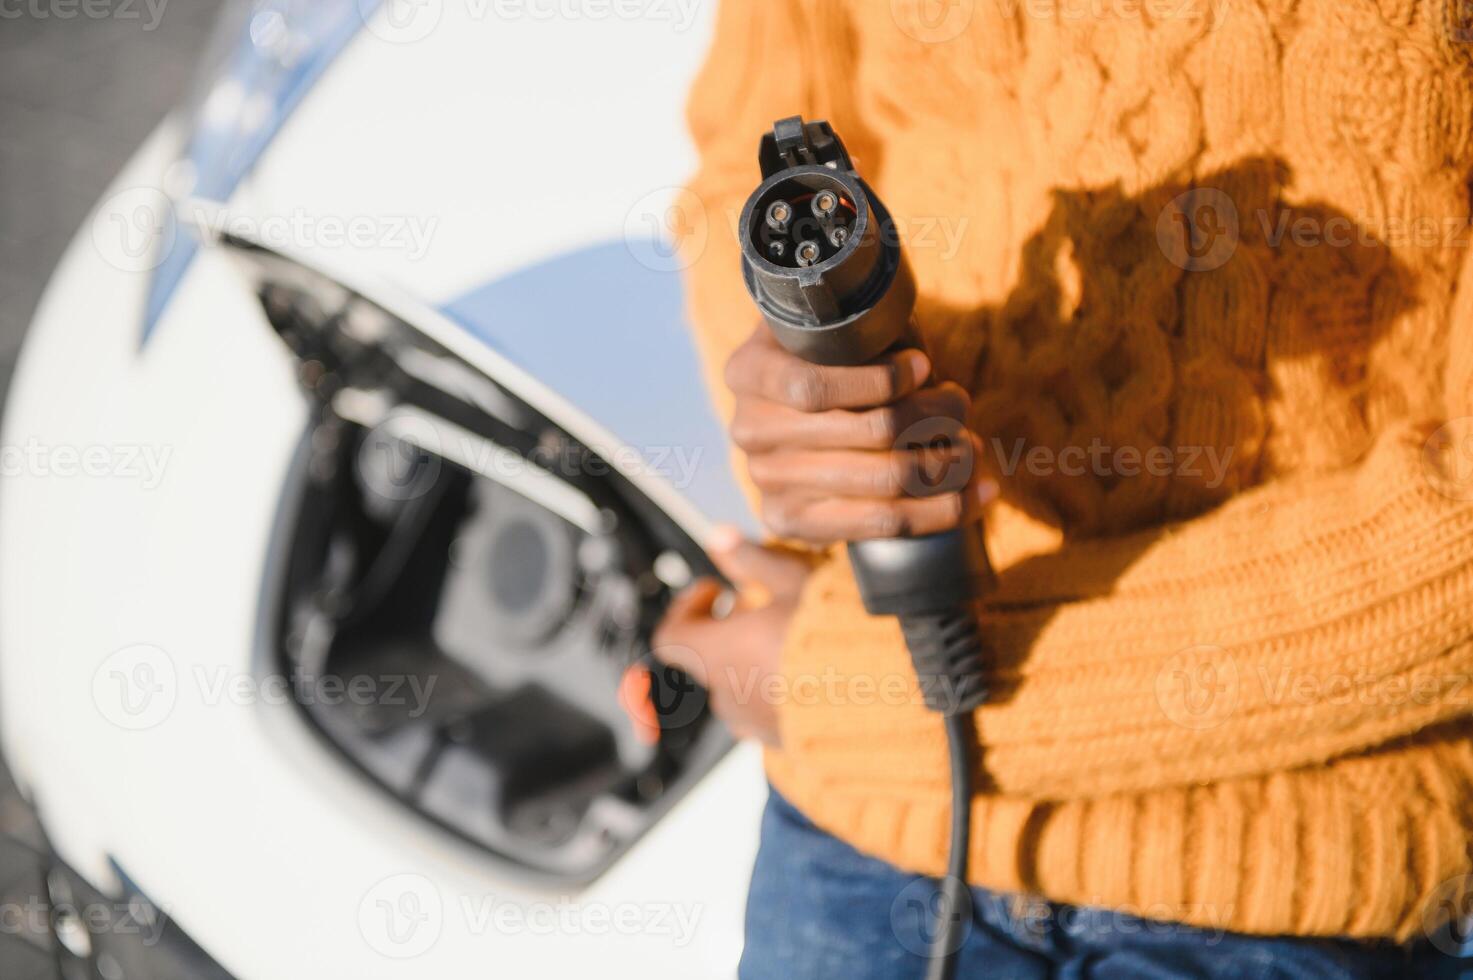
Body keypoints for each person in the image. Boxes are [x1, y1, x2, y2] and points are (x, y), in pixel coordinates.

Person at [653, 0, 1473, 976]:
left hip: (1294, 872)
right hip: (862, 847)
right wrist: (810, 431)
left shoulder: (858, 704)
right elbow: (755, 147)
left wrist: (856, 693)